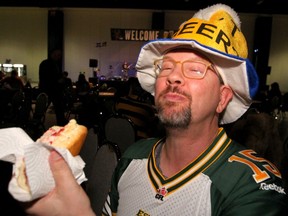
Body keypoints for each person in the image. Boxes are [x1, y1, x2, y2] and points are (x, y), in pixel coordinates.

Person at [23, 4, 288, 215]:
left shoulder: (252, 185)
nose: (174, 77)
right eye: (167, 66)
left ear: (222, 98)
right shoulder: (133, 157)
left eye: (195, 69)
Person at [38, 48, 67, 126]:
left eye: (59, 55)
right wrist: (58, 80)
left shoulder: (48, 63)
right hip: (50, 90)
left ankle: (36, 123)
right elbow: (48, 78)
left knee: (42, 109)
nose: (59, 56)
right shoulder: (50, 64)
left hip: (49, 90)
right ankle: (61, 124)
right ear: (52, 54)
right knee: (58, 109)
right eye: (57, 55)